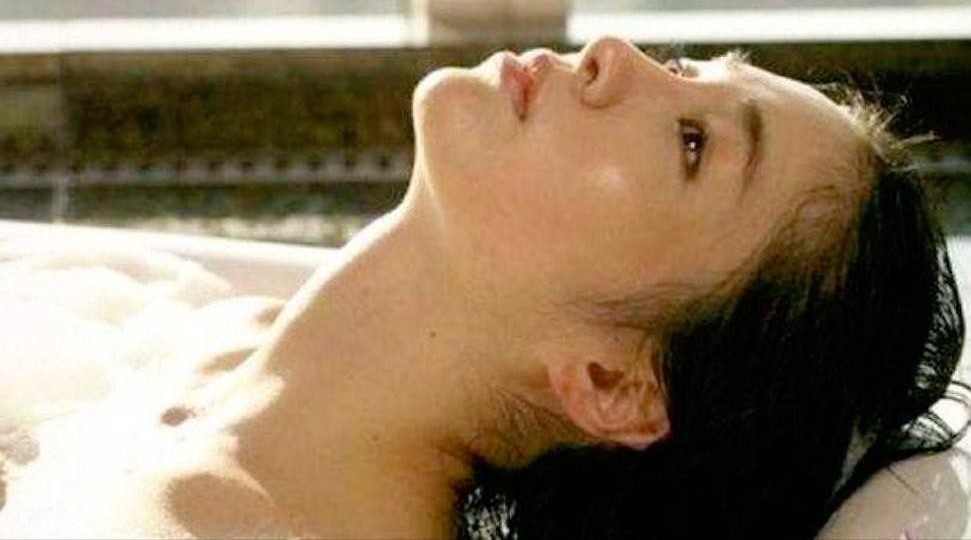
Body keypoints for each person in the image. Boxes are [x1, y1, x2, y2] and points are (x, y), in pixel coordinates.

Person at [0, 36, 966, 539]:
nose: (614, 55)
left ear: (612, 384)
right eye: (684, 69)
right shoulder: (195, 337)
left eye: (690, 143)